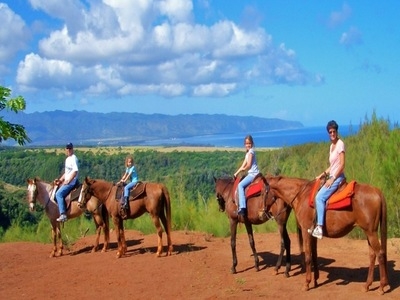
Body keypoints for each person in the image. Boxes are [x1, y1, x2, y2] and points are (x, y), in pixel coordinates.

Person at [310, 120, 346, 239]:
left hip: (338, 177)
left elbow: (341, 165)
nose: (332, 133)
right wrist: (322, 174)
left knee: (319, 197)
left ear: (336, 131)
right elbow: (332, 166)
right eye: (330, 132)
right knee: (316, 191)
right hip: (331, 176)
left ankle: (320, 227)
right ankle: (315, 223)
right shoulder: (331, 146)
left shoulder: (340, 144)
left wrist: (332, 179)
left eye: (333, 131)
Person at [234, 135, 260, 217]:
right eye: (246, 143)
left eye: (249, 143)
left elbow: (248, 165)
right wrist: (236, 173)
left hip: (253, 174)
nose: (247, 145)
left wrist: (243, 170)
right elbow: (243, 164)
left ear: (252, 143)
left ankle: (242, 208)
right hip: (252, 173)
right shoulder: (248, 153)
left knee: (240, 185)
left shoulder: (251, 152)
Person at [55, 143, 79, 222]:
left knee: (58, 194)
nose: (68, 150)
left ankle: (63, 214)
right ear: (65, 149)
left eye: (70, 148)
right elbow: (67, 173)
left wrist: (69, 181)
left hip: (71, 183)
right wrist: (60, 180)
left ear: (72, 149)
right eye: (67, 148)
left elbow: (75, 171)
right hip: (67, 181)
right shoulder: (67, 159)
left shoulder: (73, 158)